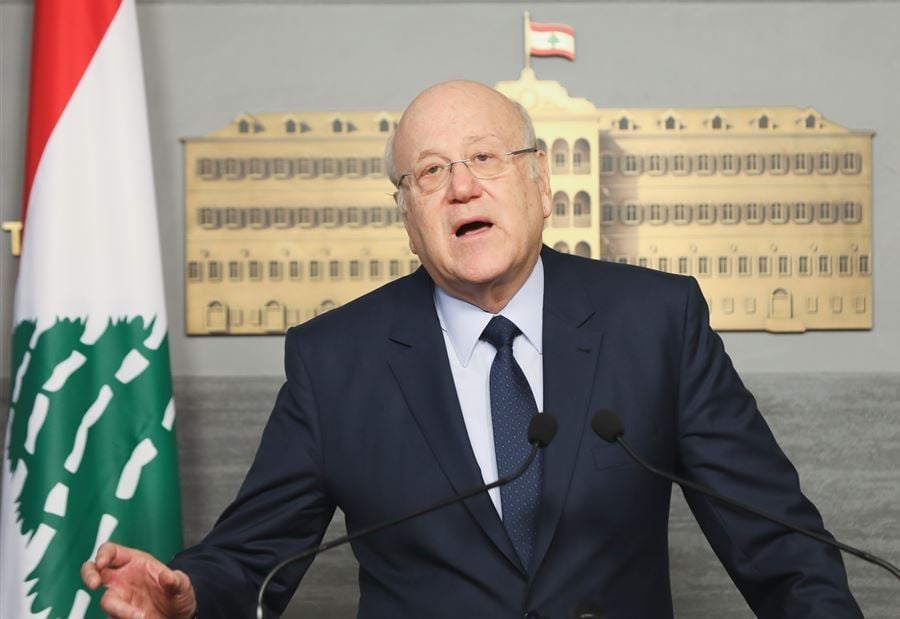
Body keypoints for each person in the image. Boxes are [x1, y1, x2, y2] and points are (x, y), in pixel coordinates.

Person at [82, 80, 862, 618]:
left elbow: (783, 548)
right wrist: (186, 592)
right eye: (430, 172)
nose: (461, 186)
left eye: (485, 158)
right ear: (408, 216)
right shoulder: (335, 360)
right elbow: (252, 557)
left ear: (541, 184)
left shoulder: (657, 321)